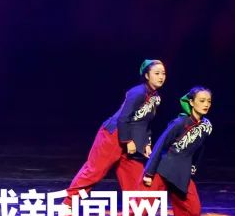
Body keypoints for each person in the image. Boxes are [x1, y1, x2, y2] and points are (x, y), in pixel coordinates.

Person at [65, 60, 166, 207]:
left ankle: (135, 213)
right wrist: (127, 141)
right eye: (156, 73)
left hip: (130, 139)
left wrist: (146, 143)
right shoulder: (138, 92)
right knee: (94, 171)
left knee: (135, 177)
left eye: (163, 73)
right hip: (113, 135)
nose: (161, 77)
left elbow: (145, 122)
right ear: (146, 75)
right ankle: (68, 204)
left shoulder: (156, 97)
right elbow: (123, 118)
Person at [142, 86, 213, 216]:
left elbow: (200, 148)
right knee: (141, 210)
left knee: (193, 210)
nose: (206, 104)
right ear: (191, 102)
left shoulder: (206, 126)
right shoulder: (180, 123)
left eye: (208, 101)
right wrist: (149, 172)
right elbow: (160, 146)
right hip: (163, 170)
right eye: (201, 101)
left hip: (182, 172)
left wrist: (194, 167)